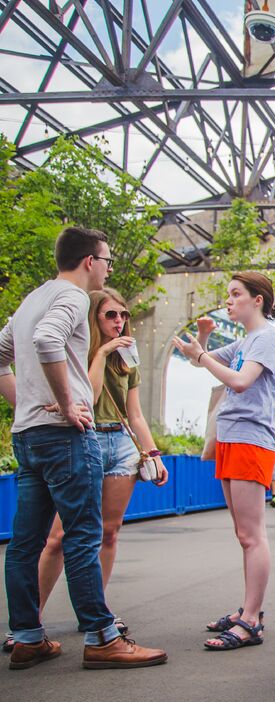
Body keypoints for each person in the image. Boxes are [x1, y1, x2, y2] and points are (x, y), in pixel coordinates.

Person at [0, 227, 166, 670]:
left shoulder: (32, 299)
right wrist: (70, 404)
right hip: (64, 436)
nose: (109, 267)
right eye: (107, 260)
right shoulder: (72, 298)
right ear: (90, 261)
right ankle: (102, 637)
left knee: (24, 543)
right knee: (83, 537)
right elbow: (47, 341)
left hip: (29, 435)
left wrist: (28, 405)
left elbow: (1, 357)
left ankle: (28, 637)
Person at [34, 288, 170, 631]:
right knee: (59, 536)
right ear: (94, 316)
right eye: (111, 315)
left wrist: (153, 453)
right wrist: (104, 352)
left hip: (121, 446)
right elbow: (91, 396)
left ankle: (95, 615)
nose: (120, 321)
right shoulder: (78, 352)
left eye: (123, 315)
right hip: (84, 439)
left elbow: (135, 413)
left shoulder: (129, 358)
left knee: (109, 533)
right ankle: (29, 619)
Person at [172, 271, 275, 651]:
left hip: (250, 439)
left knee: (252, 535)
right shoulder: (246, 339)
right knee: (245, 536)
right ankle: (248, 610)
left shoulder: (269, 338)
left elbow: (239, 381)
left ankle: (251, 620)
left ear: (258, 300)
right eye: (228, 294)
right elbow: (198, 362)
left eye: (236, 294)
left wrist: (203, 354)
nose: (229, 300)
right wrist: (202, 340)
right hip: (232, 437)